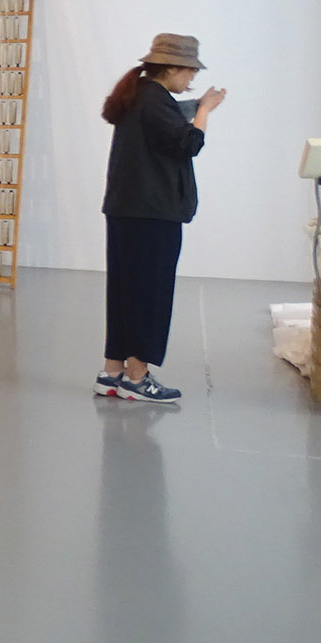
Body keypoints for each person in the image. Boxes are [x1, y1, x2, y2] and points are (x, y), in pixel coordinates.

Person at [96, 33, 225, 404]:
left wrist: (196, 105)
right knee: (150, 293)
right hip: (151, 213)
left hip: (126, 210)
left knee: (124, 291)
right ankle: (137, 377)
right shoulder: (154, 99)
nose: (192, 79)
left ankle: (112, 373)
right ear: (171, 68)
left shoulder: (140, 94)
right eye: (190, 71)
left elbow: (165, 120)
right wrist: (204, 110)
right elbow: (189, 143)